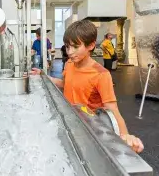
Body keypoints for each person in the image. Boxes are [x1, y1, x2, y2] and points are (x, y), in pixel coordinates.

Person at [31, 20, 144, 153]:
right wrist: (44, 75)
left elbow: (113, 111)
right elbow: (65, 84)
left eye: (75, 47)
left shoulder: (101, 74)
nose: (70, 52)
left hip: (89, 129)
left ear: (90, 45)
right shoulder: (69, 64)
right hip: (70, 120)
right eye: (67, 47)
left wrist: (125, 137)